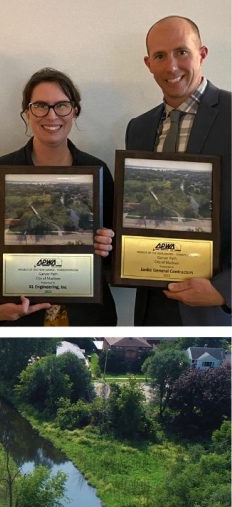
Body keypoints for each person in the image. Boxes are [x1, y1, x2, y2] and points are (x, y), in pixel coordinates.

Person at [0, 68, 117, 325]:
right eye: (40, 106)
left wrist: (109, 246)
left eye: (62, 105)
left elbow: (115, 257)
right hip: (17, 317)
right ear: (27, 112)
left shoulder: (98, 172)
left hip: (86, 318)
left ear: (75, 111)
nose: (51, 115)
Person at [126, 15, 230, 325]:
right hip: (152, 304)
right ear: (148, 63)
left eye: (181, 52)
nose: (171, 66)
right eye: (160, 56)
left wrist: (224, 290)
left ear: (202, 54)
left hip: (215, 309)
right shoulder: (139, 128)